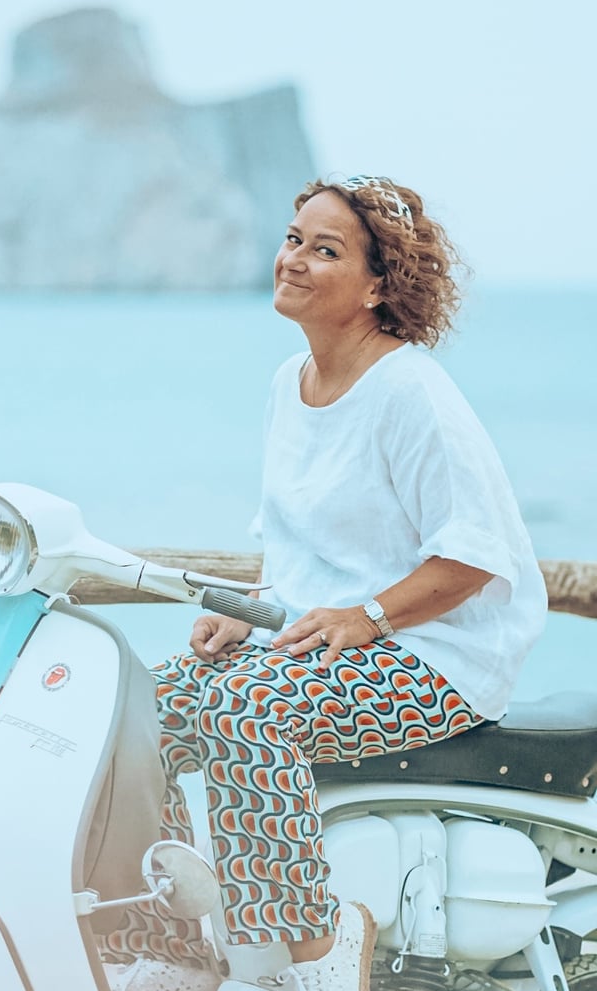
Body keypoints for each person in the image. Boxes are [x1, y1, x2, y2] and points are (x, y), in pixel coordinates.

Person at [102, 176, 548, 991]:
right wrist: (251, 612)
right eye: (293, 238)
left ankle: (314, 953)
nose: (294, 260)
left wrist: (368, 616)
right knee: (134, 709)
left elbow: (476, 556)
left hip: (437, 657)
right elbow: (306, 542)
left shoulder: (412, 394)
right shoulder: (289, 384)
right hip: (320, 639)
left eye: (325, 249)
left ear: (380, 286)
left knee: (247, 705)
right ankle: (171, 950)